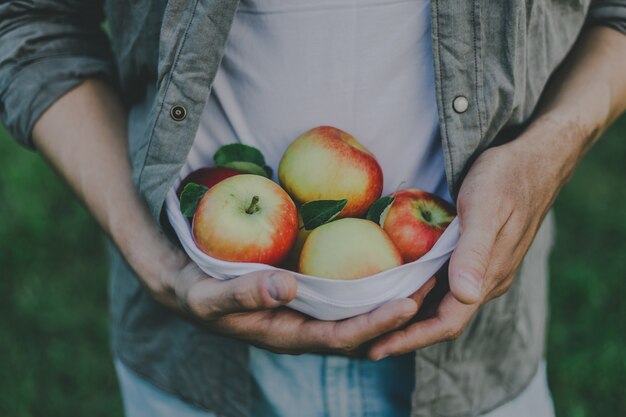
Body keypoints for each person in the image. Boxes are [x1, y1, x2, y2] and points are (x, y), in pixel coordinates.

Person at [1, 0, 625, 416]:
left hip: (476, 360)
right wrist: (151, 253)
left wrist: (554, 147)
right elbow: (29, 19)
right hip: (191, 360)